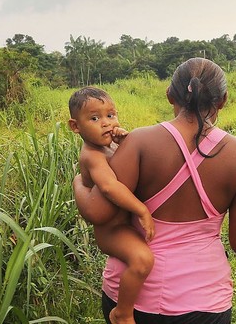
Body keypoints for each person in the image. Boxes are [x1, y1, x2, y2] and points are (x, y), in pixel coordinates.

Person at [74, 58, 236, 324]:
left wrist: (77, 183)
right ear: (222, 100)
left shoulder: (139, 141)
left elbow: (99, 211)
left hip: (130, 300)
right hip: (203, 303)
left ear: (169, 94)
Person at [68, 86, 156, 324]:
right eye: (95, 118)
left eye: (111, 115)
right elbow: (108, 187)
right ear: (75, 126)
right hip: (111, 230)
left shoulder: (108, 146)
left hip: (121, 224)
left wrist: (125, 142)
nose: (106, 123)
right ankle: (122, 312)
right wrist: (141, 209)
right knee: (142, 260)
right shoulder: (91, 155)